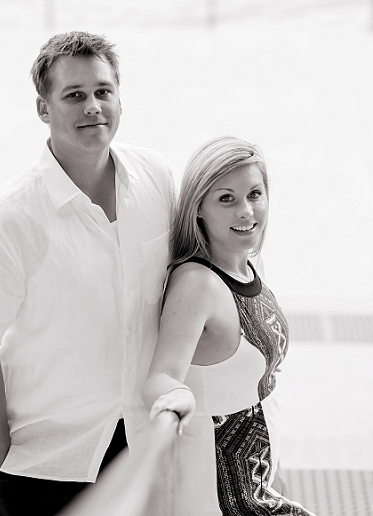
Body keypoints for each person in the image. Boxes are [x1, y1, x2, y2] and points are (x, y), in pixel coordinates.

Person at [0, 31, 174, 516]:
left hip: (140, 447)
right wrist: (0, 466)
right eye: (74, 95)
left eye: (103, 91)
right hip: (45, 467)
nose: (92, 106)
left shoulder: (156, 178)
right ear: (43, 108)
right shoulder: (6, 220)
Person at [143, 136, 315, 516]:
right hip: (216, 491)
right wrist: (173, 397)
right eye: (226, 199)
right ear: (198, 208)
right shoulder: (197, 283)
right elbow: (161, 376)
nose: (246, 211)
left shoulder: (250, 266)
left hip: (258, 476)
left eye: (255, 194)